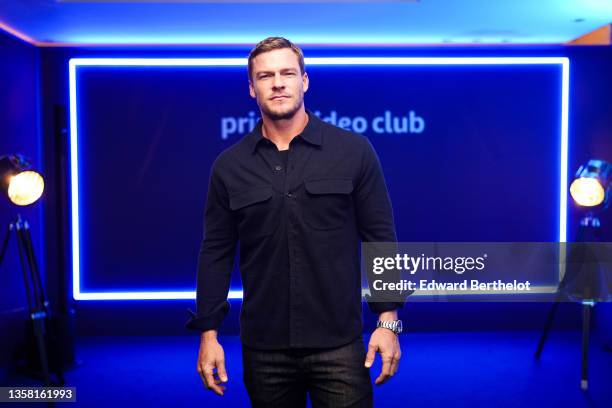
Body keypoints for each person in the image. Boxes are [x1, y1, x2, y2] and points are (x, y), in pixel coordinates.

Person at [187, 36, 404, 408]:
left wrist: (389, 322)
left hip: (339, 344)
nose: (277, 83)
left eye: (287, 72)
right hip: (264, 348)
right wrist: (208, 334)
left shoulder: (353, 151)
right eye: (265, 75)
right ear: (252, 89)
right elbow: (216, 252)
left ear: (305, 81)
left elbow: (380, 238)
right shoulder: (229, 166)